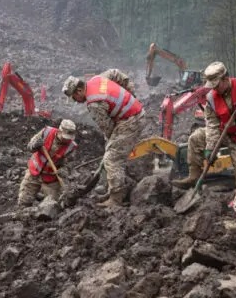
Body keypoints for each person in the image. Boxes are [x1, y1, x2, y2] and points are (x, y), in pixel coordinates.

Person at [171, 62, 236, 211]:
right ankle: (194, 176)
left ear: (225, 78)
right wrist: (210, 148)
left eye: (216, 84)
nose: (214, 88)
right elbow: (212, 126)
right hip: (226, 133)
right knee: (196, 137)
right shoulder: (211, 98)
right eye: (212, 85)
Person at [62, 69, 143, 207]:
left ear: (79, 91)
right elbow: (115, 73)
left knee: (112, 159)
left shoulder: (93, 104)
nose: (76, 101)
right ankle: (112, 189)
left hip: (130, 121)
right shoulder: (96, 79)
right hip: (134, 112)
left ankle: (116, 198)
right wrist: (130, 92)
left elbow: (108, 128)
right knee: (111, 151)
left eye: (74, 98)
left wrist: (111, 146)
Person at [17, 119, 78, 206]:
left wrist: (63, 170)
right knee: (24, 201)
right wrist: (34, 145)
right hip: (34, 172)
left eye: (68, 138)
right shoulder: (46, 132)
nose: (66, 140)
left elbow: (69, 164)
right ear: (59, 131)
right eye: (65, 138)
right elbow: (29, 147)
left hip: (51, 178)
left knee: (52, 205)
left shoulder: (71, 147)